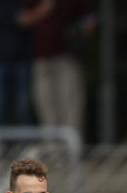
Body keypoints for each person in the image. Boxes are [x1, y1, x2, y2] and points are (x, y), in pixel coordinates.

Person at [20, 0, 96, 137]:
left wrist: (82, 31)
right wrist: (42, 11)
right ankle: (53, 149)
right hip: (41, 61)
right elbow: (22, 20)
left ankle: (72, 149)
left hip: (67, 60)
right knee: (46, 109)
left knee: (72, 108)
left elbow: (90, 19)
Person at [0, 0, 33, 126]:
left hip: (22, 59)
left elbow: (25, 21)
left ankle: (26, 143)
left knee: (23, 107)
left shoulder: (24, 2)